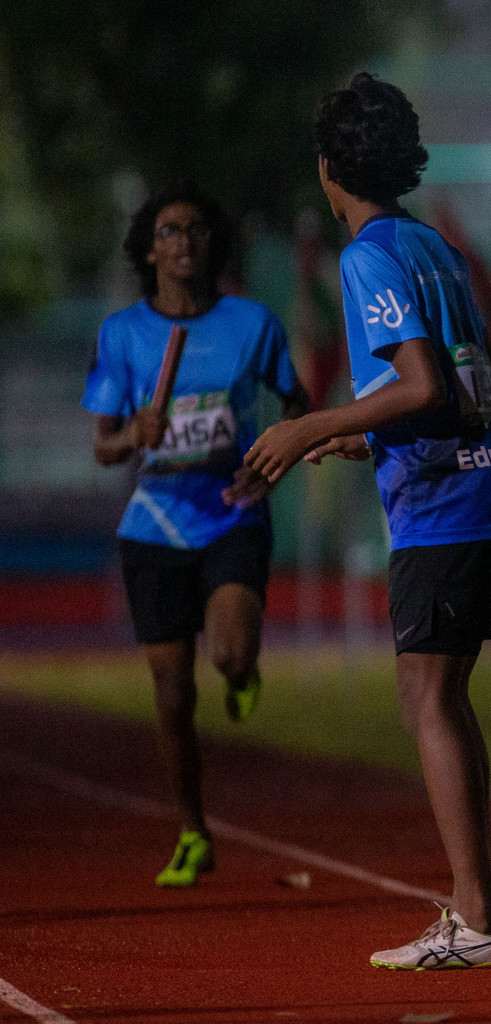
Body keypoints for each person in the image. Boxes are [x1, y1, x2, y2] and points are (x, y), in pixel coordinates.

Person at [244, 72, 491, 970]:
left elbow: (421, 382)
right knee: (443, 699)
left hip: (443, 507)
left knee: (427, 700)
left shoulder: (367, 253)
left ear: (330, 169)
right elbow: (486, 384)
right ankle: (479, 909)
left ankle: (478, 919)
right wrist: (380, 441)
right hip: (484, 479)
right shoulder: (436, 245)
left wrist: (308, 424)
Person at [83, 179, 308, 887]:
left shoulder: (251, 326)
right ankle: (192, 830)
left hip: (232, 512)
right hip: (154, 524)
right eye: (171, 231)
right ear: (149, 249)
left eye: (197, 231)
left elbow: (297, 406)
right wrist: (133, 434)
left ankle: (244, 670)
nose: (185, 242)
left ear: (214, 246)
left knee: (231, 656)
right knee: (173, 695)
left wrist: (272, 468)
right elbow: (104, 445)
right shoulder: (123, 334)